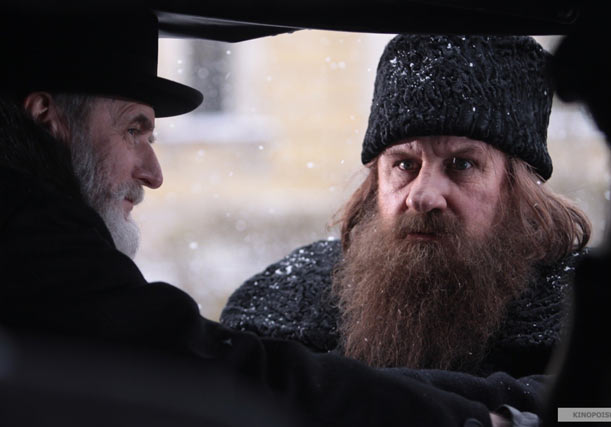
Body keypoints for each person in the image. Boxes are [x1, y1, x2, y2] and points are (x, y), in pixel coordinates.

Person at [0, 8, 539, 427]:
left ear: (519, 188)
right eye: (133, 129)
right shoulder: (30, 243)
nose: (153, 173)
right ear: (46, 118)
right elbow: (212, 372)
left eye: (463, 165)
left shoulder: (577, 307)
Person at [221, 34, 591, 398]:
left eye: (461, 164)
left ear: (515, 188)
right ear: (375, 182)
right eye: (404, 164)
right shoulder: (286, 300)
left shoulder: (589, 307)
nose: (423, 196)